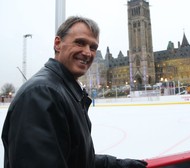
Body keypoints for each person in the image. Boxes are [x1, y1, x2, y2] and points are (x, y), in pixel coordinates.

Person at [2, 16, 148, 168]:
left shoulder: (65, 90)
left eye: (93, 47)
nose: (87, 53)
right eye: (80, 42)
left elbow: (77, 160)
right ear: (58, 44)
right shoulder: (42, 93)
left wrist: (119, 165)